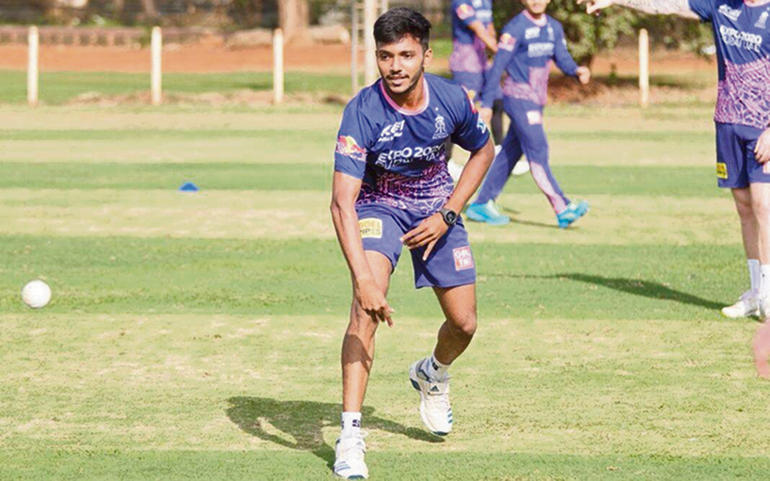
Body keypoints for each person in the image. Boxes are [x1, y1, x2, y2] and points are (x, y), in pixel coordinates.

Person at [329, 8, 495, 479]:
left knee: (464, 324)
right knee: (364, 312)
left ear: (426, 54)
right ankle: (350, 436)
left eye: (405, 55)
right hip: (378, 209)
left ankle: (432, 373)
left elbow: (483, 149)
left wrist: (449, 214)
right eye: (386, 56)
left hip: (437, 210)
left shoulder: (451, 98)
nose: (395, 66)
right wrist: (364, 280)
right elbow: (342, 204)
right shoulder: (362, 110)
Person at [579, 0, 770, 371]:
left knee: (765, 207)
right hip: (728, 122)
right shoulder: (720, 5)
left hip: (762, 128)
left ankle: (768, 292)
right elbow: (666, 5)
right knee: (744, 208)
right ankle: (754, 292)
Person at [464, 0, 591, 227]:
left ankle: (481, 204)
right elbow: (497, 66)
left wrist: (576, 70)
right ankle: (562, 207)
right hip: (518, 99)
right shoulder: (516, 27)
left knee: (510, 152)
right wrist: (487, 103)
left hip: (536, 100)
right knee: (538, 150)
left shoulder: (553, 27)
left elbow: (561, 56)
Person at [447, 0, 529, 181]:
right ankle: (445, 161)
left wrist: (493, 52)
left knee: (497, 102)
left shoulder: (485, 1)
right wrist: (501, 51)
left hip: (483, 62)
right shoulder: (461, 2)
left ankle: (501, 154)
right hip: (466, 64)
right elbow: (478, 29)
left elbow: (489, 26)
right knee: (458, 112)